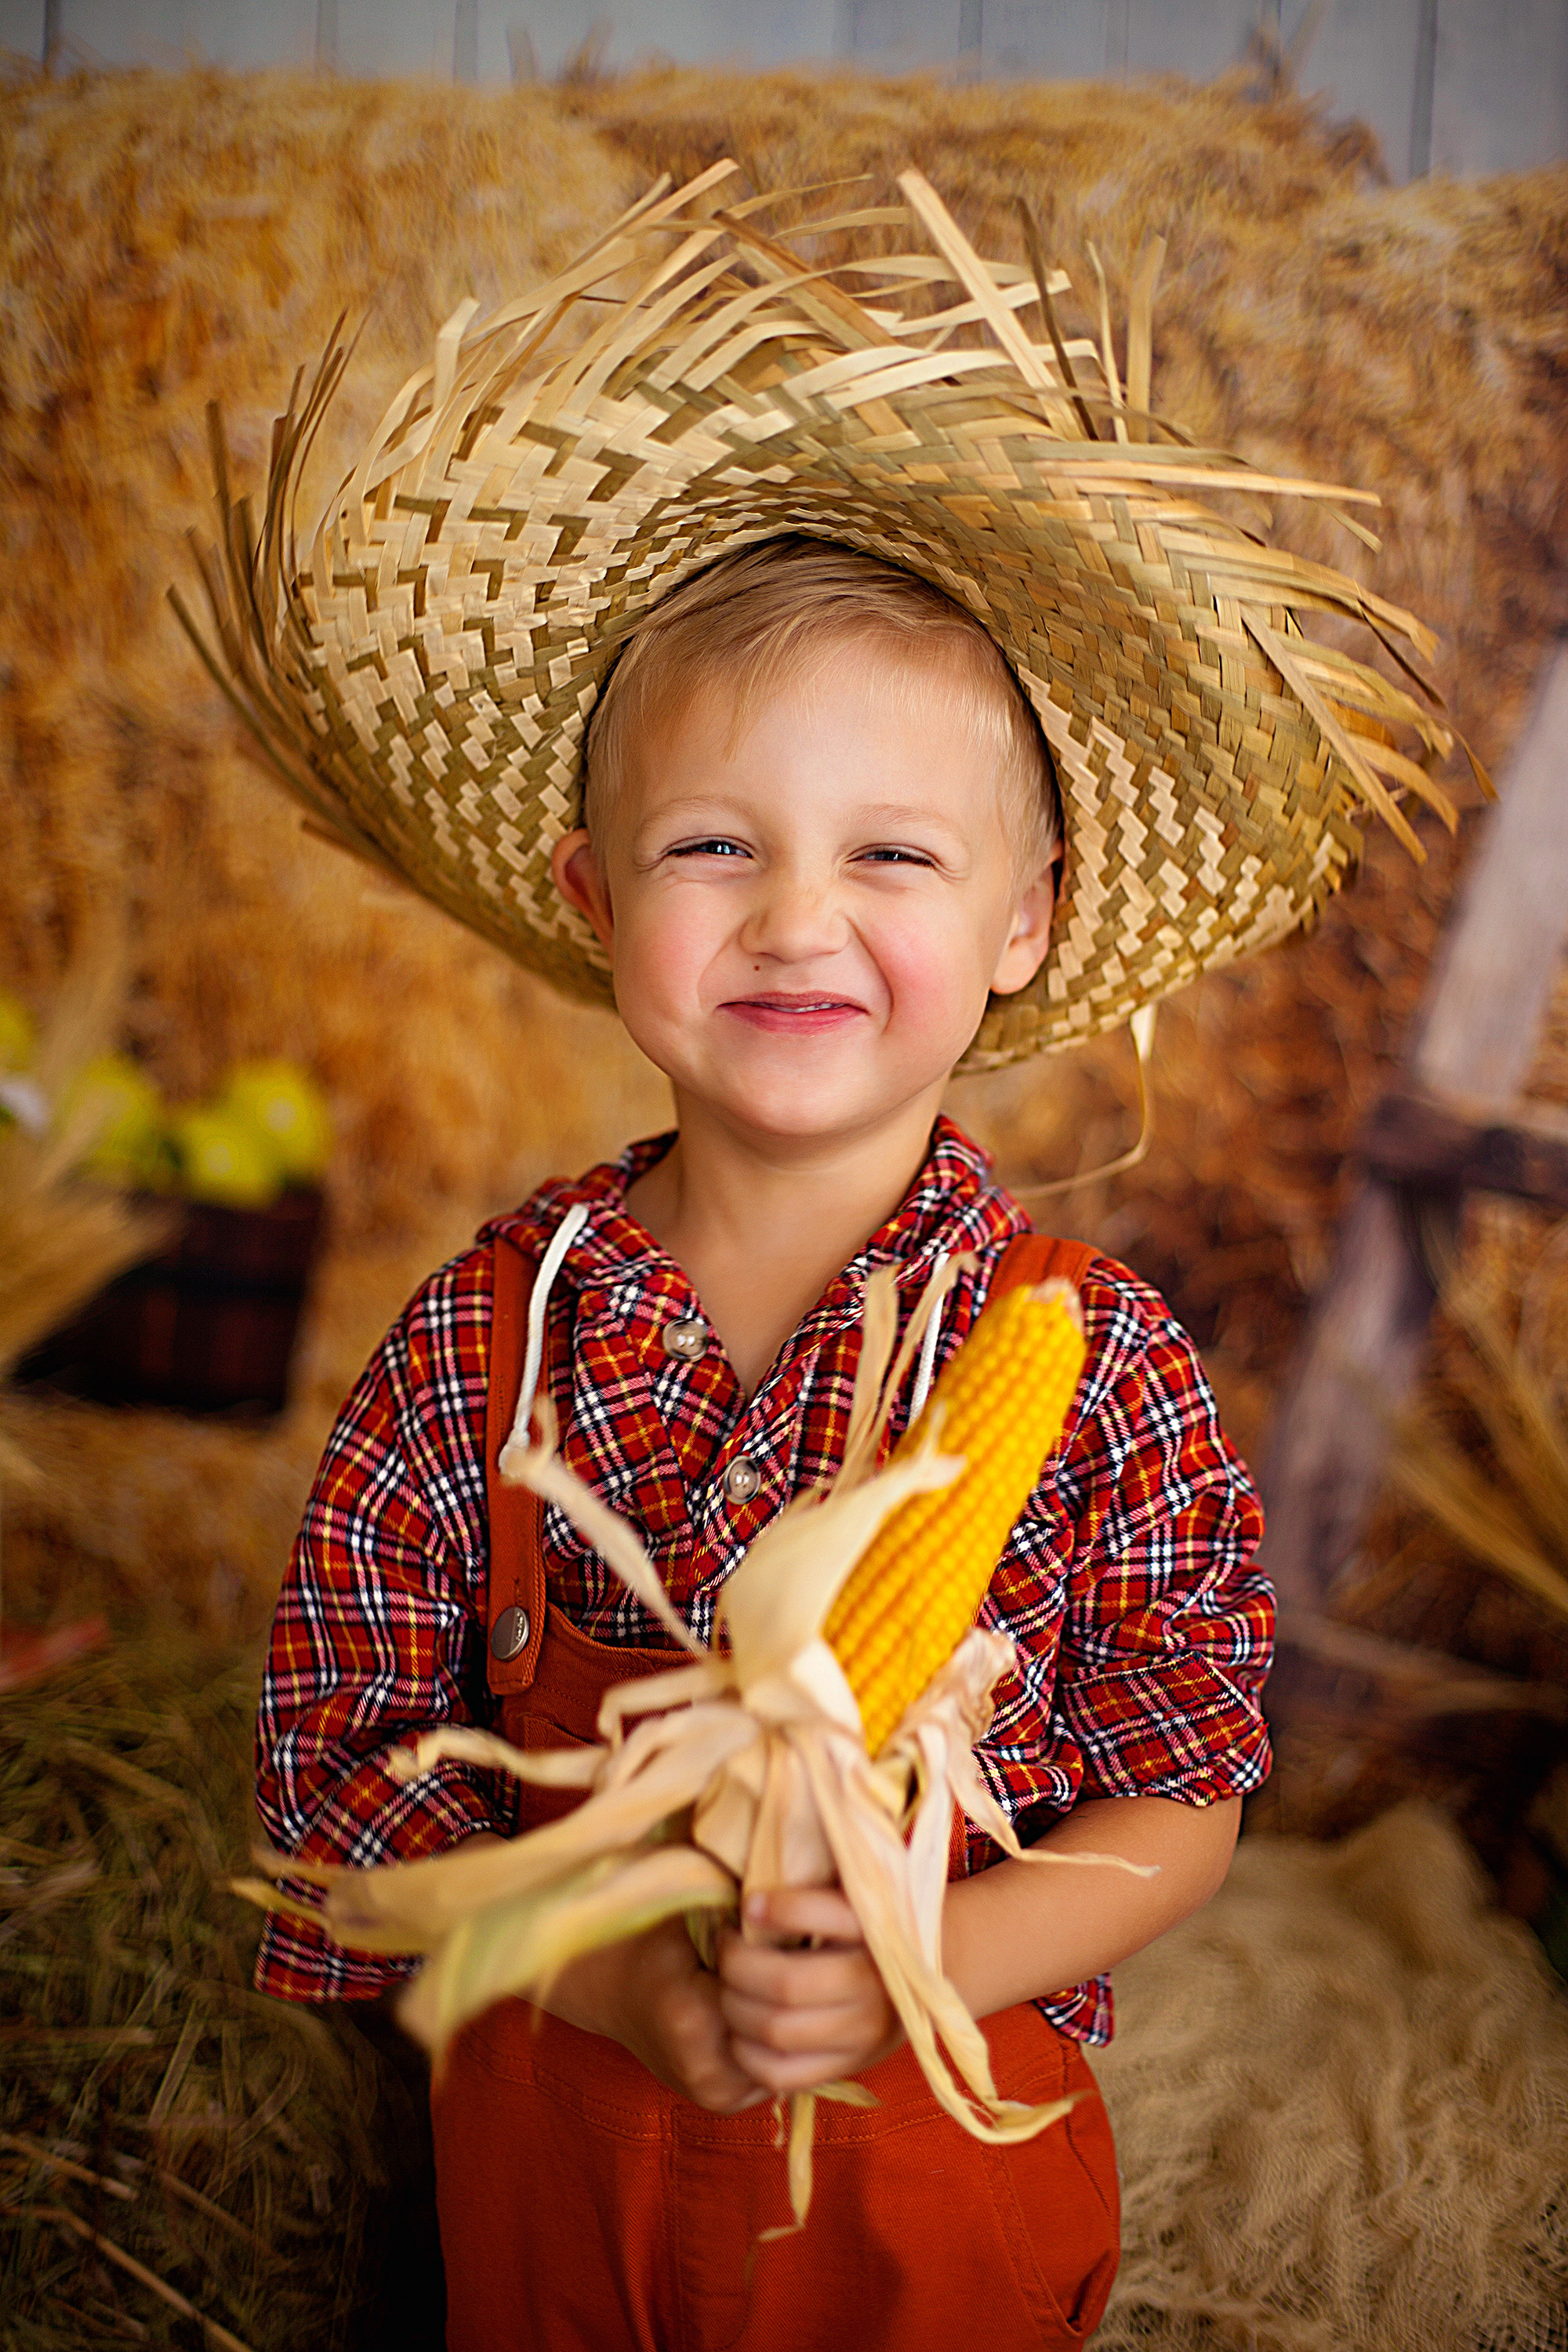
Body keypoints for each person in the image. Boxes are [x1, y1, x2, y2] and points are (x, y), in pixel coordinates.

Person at [205, 171, 1450, 2352]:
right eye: (717, 846)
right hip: (553, 2202)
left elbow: (1177, 1794)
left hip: (934, 2208)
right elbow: (337, 1794)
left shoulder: (1093, 1360)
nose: (798, 918)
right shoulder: (477, 1350)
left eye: (893, 854)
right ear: (597, 900)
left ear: (1024, 925)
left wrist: (911, 1967)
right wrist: (600, 1968)